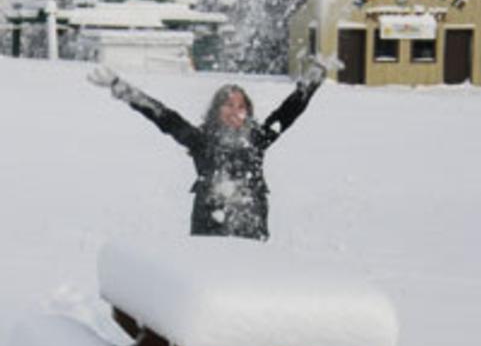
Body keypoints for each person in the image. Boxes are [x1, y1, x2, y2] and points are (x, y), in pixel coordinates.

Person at [88, 60, 326, 241]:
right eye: (229, 104)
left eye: (241, 106)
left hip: (252, 230)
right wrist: (123, 89)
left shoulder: (256, 139)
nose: (236, 111)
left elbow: (287, 113)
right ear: (216, 109)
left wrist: (310, 84)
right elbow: (163, 116)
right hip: (209, 230)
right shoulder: (201, 141)